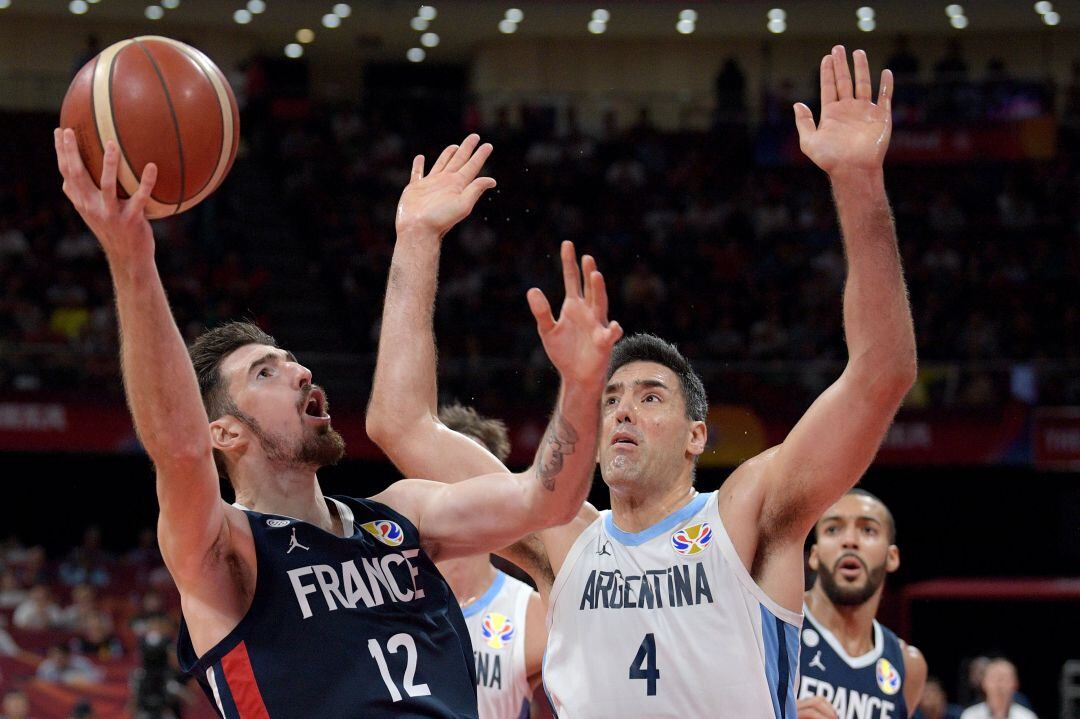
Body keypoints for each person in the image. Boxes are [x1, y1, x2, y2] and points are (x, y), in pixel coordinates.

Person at [368, 45, 916, 717]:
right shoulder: (558, 532)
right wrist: (417, 240)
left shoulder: (745, 512)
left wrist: (860, 183)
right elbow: (401, 425)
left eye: (649, 396)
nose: (622, 411)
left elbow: (880, 375)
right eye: (610, 399)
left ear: (696, 435)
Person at [53, 126, 621, 719]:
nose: (300, 372)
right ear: (223, 430)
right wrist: (132, 260)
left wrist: (579, 389)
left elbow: (547, 500)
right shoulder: (227, 550)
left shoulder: (405, 516)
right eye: (266, 374)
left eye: (293, 361)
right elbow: (177, 447)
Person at [436, 403, 545, 719]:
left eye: (472, 471)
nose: (462, 484)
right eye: (448, 468)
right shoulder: (386, 599)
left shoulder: (532, 613)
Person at [796, 490, 927, 719]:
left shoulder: (908, 665)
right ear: (814, 555)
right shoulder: (777, 628)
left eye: (868, 530)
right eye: (833, 529)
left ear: (892, 557)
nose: (850, 541)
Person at [959, 659, 1037, 719]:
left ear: (1016, 684)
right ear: (984, 683)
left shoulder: (1027, 716)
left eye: (1004, 679)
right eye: (994, 678)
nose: (999, 685)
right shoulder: (970, 715)